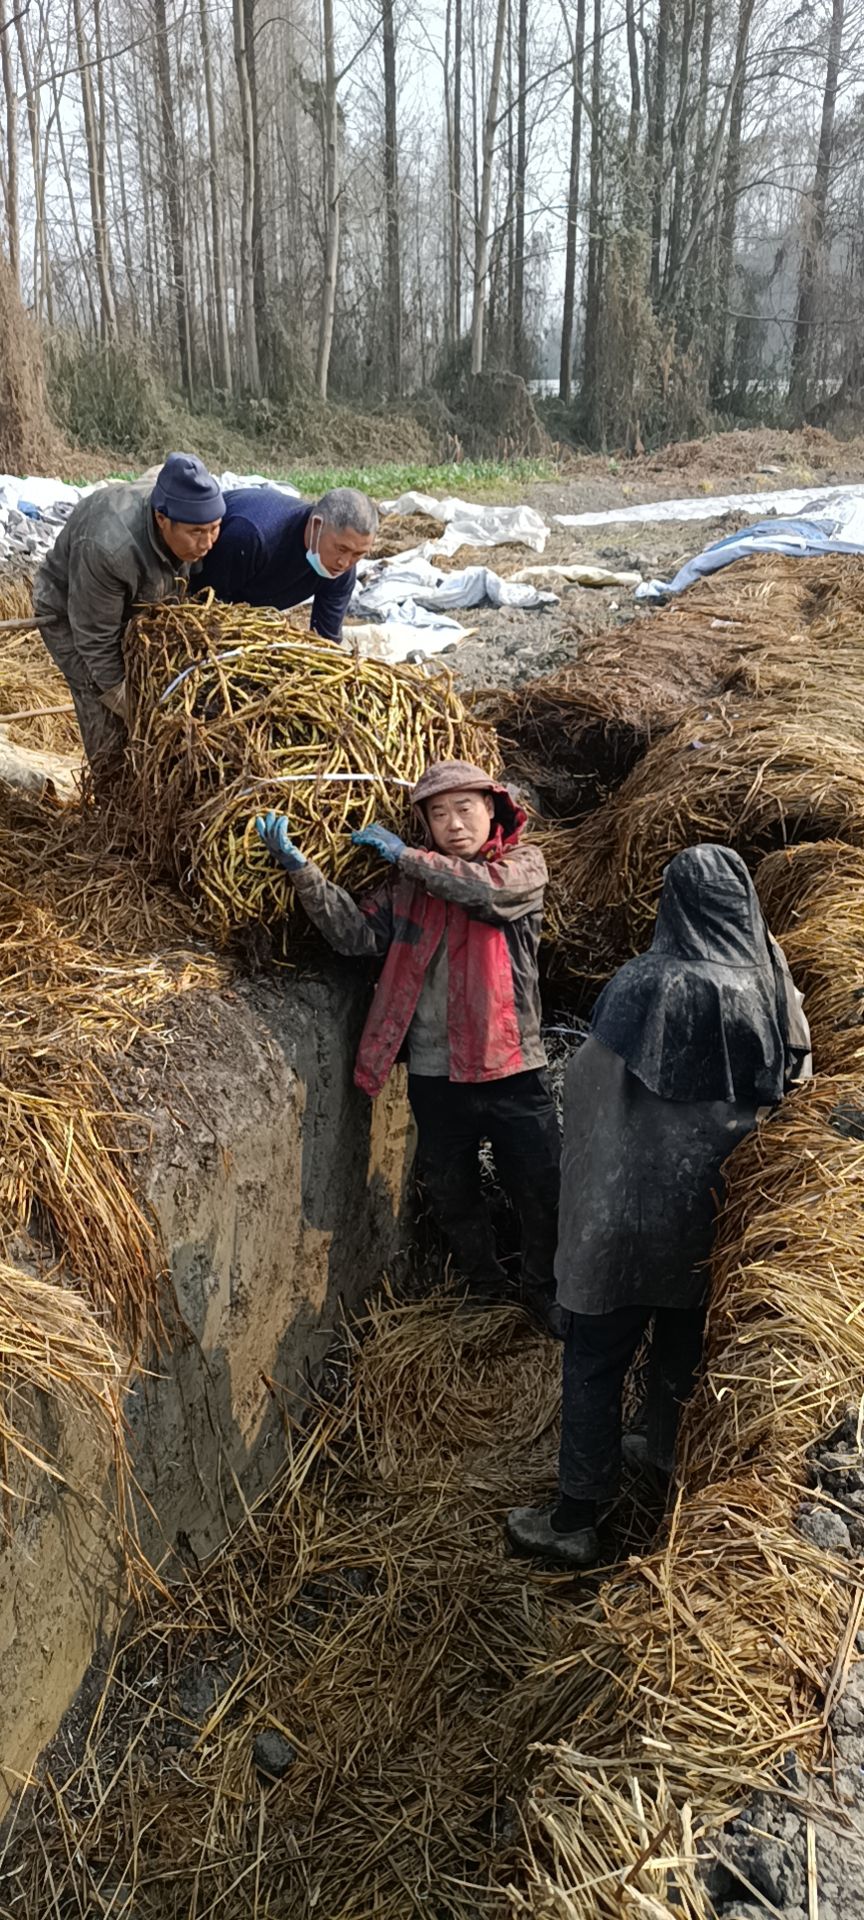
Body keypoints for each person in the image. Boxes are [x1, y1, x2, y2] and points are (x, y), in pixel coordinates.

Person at [506, 843, 812, 1569]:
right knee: (681, 1342)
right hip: (714, 1218)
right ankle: (666, 1452)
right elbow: (794, 1082)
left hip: (625, 1223)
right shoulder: (770, 987)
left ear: (671, 904)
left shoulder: (646, 986)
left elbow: (586, 1095)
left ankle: (576, 1515)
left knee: (594, 1359)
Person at [255, 760, 563, 1329]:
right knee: (451, 1191)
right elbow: (355, 936)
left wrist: (405, 856)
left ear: (491, 809)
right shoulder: (408, 889)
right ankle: (486, 1291)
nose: (454, 824)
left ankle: (543, 1293)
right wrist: (303, 872)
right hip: (434, 1072)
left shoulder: (520, 868)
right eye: (439, 814)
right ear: (424, 822)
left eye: (465, 809)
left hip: (512, 1067)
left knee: (542, 1190)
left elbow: (484, 892)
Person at [34, 452, 225, 784]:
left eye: (215, 529)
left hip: (138, 597)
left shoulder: (185, 523)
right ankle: (113, 799)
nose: (208, 542)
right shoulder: (109, 546)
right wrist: (140, 714)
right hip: (72, 613)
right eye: (197, 532)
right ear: (162, 519)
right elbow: (96, 642)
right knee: (105, 709)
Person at [197, 485, 378, 642]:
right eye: (341, 549)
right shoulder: (251, 536)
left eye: (358, 554)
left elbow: (325, 640)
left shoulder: (342, 572)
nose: (344, 563)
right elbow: (205, 610)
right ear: (316, 525)